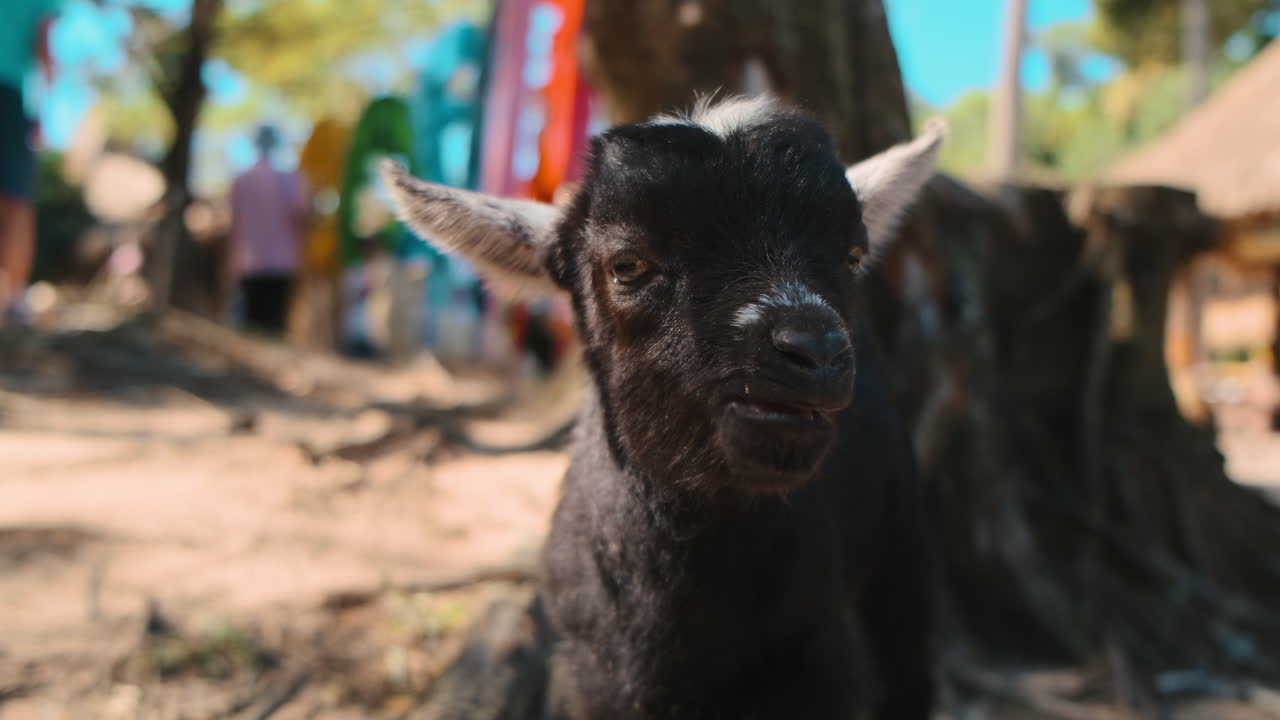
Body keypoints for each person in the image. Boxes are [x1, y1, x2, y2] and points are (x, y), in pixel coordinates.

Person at [0, 0, 59, 323]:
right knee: (18, 200)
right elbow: (43, 41)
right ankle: (15, 297)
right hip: (9, 92)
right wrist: (45, 105)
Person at [227, 125, 309, 335]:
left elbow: (234, 224)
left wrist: (230, 259)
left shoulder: (241, 180)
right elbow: (299, 218)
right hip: (281, 263)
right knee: (274, 326)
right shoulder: (290, 179)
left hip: (249, 263)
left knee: (250, 328)